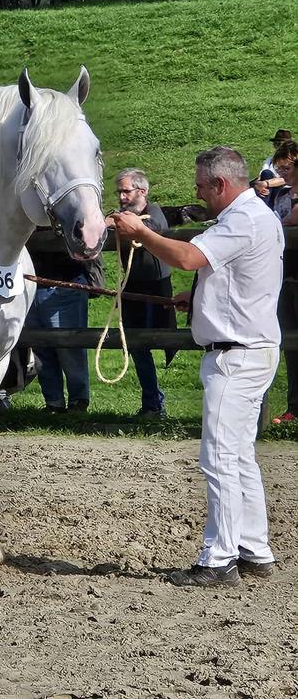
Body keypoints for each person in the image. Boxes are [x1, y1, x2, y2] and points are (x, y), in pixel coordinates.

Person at [112, 146, 283, 588]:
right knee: (239, 455)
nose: (198, 193)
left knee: (219, 458)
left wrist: (140, 232)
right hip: (247, 347)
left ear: (221, 184)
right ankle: (253, 548)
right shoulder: (252, 216)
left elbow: (187, 258)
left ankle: (218, 558)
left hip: (236, 354)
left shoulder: (242, 219)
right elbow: (231, 272)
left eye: (202, 186)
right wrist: (202, 294)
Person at [105, 169, 176, 418]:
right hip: (132, 286)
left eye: (126, 191)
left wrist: (115, 221)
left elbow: (152, 227)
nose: (122, 196)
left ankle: (154, 404)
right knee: (136, 344)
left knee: (151, 340)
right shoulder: (123, 215)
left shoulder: (153, 212)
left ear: (142, 191)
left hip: (154, 286)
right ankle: (152, 403)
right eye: (120, 191)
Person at [24, 228, 103, 413]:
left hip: (65, 283)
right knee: (40, 348)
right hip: (33, 284)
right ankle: (54, 403)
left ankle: (78, 401)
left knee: (69, 347)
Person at [269, 140, 298, 425]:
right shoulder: (282, 196)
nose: (283, 173)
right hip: (284, 274)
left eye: (287, 167)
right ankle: (294, 406)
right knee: (290, 344)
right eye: (280, 168)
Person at [252, 128, 292, 206]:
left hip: (284, 191)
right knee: (266, 173)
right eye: (277, 144)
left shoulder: (292, 161)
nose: (279, 147)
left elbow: (288, 179)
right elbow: (260, 177)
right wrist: (259, 185)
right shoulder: (270, 160)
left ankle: (263, 207)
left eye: (281, 144)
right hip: (268, 191)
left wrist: (266, 183)